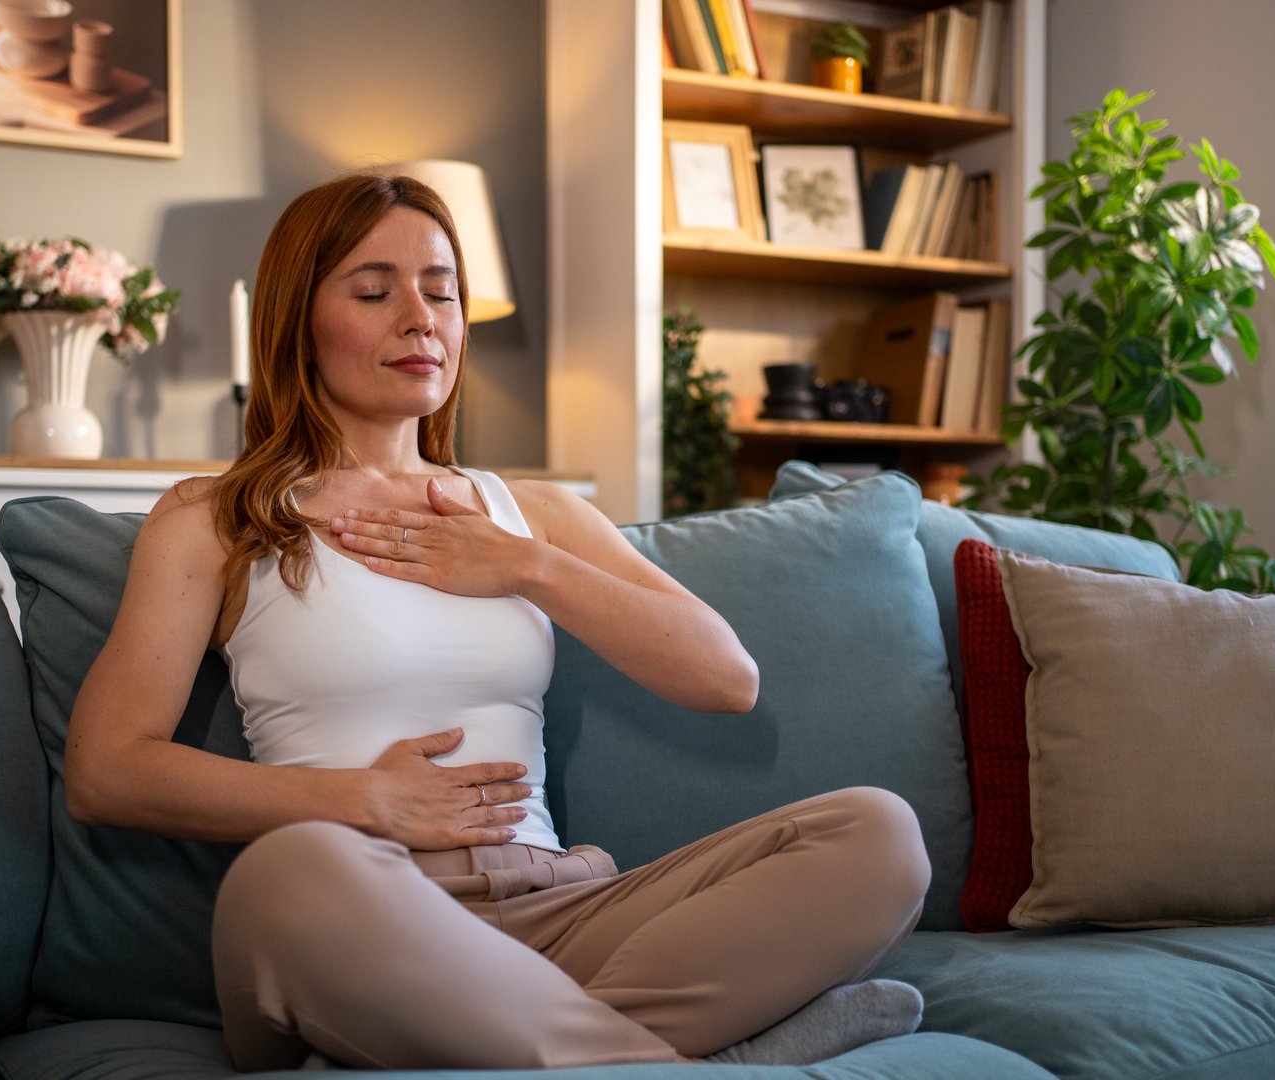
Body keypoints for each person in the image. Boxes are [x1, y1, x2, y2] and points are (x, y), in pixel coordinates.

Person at [67, 171, 932, 1071]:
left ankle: (482, 1049)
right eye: (375, 291)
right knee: (289, 874)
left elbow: (726, 677)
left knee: (875, 835)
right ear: (297, 321)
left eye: (441, 292)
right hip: (360, 909)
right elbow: (106, 768)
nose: (420, 316)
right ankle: (706, 1057)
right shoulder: (217, 517)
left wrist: (523, 564)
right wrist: (363, 801)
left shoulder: (533, 515)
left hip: (560, 909)